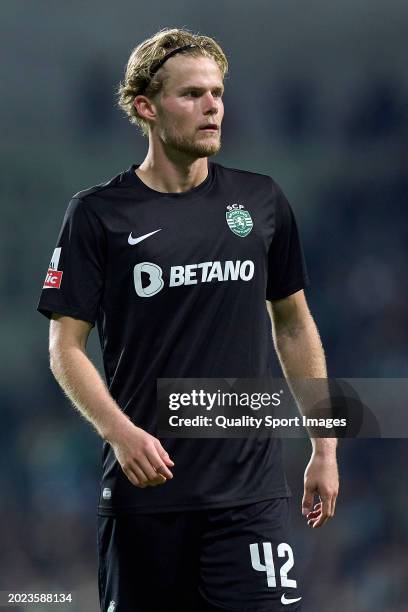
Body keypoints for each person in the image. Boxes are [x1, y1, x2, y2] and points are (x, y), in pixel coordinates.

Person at [37, 27, 339, 612]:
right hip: (147, 495)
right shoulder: (98, 214)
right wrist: (118, 433)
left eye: (218, 93)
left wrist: (324, 446)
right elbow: (65, 346)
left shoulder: (261, 202)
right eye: (192, 94)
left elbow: (294, 324)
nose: (213, 107)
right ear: (146, 107)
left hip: (250, 496)